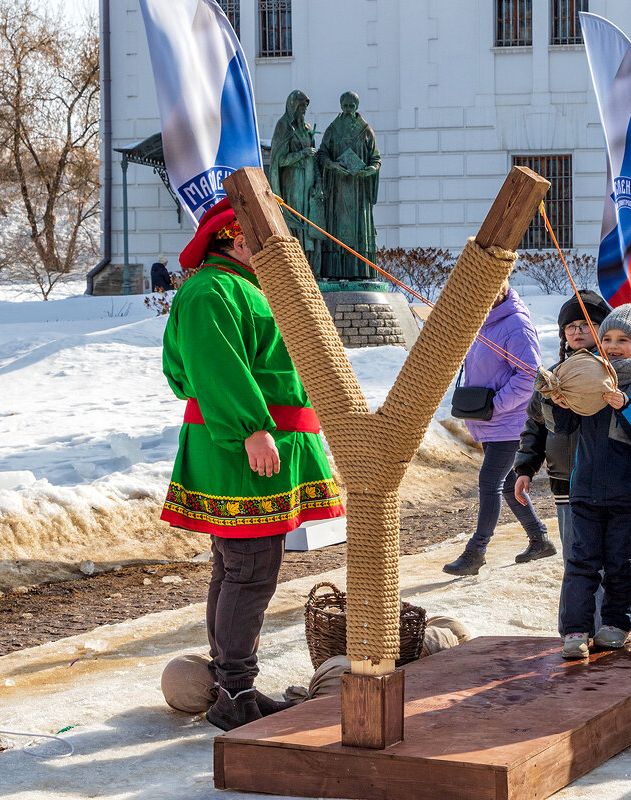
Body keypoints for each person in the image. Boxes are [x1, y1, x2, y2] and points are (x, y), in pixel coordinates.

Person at [161, 198, 345, 731]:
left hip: (252, 445)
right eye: (263, 241)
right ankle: (235, 693)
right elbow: (214, 367)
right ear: (239, 239)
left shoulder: (238, 287)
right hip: (242, 447)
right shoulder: (211, 290)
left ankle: (230, 685)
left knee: (237, 566)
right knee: (250, 568)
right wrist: (251, 428)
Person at [544, 304, 631, 659]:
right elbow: (563, 427)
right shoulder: (589, 373)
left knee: (621, 562)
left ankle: (616, 623)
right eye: (608, 338)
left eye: (623, 340)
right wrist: (559, 403)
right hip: (584, 489)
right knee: (581, 561)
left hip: (628, 493)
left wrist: (625, 403)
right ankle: (575, 629)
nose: (613, 346)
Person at [513, 289, 612, 634]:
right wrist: (525, 467)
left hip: (611, 483)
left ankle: (611, 629)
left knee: (612, 561)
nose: (576, 331)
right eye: (569, 326)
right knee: (576, 560)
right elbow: (534, 425)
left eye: (586, 323)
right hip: (566, 483)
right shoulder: (551, 377)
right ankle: (575, 630)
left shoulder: (616, 373)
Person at [443, 283, 553, 576]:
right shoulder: (480, 321)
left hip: (510, 422)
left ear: (502, 287)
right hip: (489, 420)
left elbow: (530, 374)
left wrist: (496, 406)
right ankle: (539, 539)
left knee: (489, 481)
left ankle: (476, 552)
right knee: (506, 484)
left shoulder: (515, 323)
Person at [316, 91, 381, 281]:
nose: (348, 110)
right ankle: (335, 272)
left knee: (358, 230)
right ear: (341, 106)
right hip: (338, 190)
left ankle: (359, 271)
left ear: (356, 107)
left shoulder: (365, 130)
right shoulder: (333, 129)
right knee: (337, 230)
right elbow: (322, 154)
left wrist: (368, 170)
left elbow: (376, 159)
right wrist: (333, 165)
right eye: (345, 106)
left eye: (351, 107)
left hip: (359, 190)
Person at [268, 89, 325, 266]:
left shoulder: (307, 128)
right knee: (295, 219)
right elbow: (279, 160)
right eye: (300, 107)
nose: (303, 111)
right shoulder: (283, 126)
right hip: (292, 182)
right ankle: (295, 262)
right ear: (292, 106)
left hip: (308, 183)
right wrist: (301, 154)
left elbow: (315, 159)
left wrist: (318, 183)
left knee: (310, 222)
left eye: (305, 108)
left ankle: (311, 265)